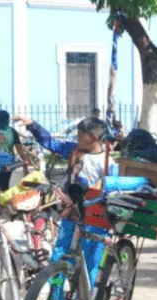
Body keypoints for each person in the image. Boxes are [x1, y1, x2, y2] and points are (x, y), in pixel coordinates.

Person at [14, 114, 117, 290]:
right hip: (71, 214)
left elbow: (112, 192)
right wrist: (33, 125)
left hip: (95, 218)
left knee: (91, 263)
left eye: (80, 135)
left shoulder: (108, 163)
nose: (76, 138)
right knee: (58, 257)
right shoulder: (72, 150)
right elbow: (51, 143)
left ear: (94, 138)